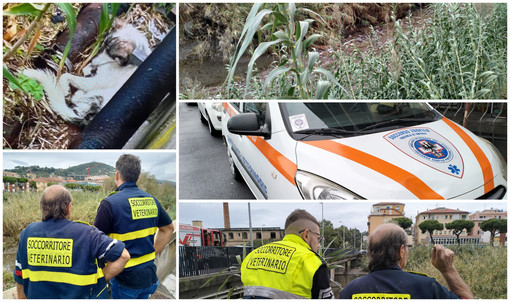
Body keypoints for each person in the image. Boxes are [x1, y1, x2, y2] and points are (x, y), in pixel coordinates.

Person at [13, 185, 130, 299]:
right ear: (68, 207)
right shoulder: (88, 233)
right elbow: (123, 255)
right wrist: (101, 281)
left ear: (42, 207)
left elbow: (19, 273)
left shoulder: (27, 233)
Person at [94, 154, 174, 299]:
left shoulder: (110, 204)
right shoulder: (152, 201)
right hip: (149, 277)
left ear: (117, 174)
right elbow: (168, 228)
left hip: (125, 281)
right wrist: (152, 252)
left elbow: (94, 241)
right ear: (137, 176)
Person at [339, 223, 473, 299]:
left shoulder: (349, 291)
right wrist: (448, 270)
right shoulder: (427, 287)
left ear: (370, 252)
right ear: (401, 250)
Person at [241, 209, 334, 299]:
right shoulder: (312, 262)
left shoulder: (251, 256)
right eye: (317, 237)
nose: (318, 245)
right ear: (306, 234)